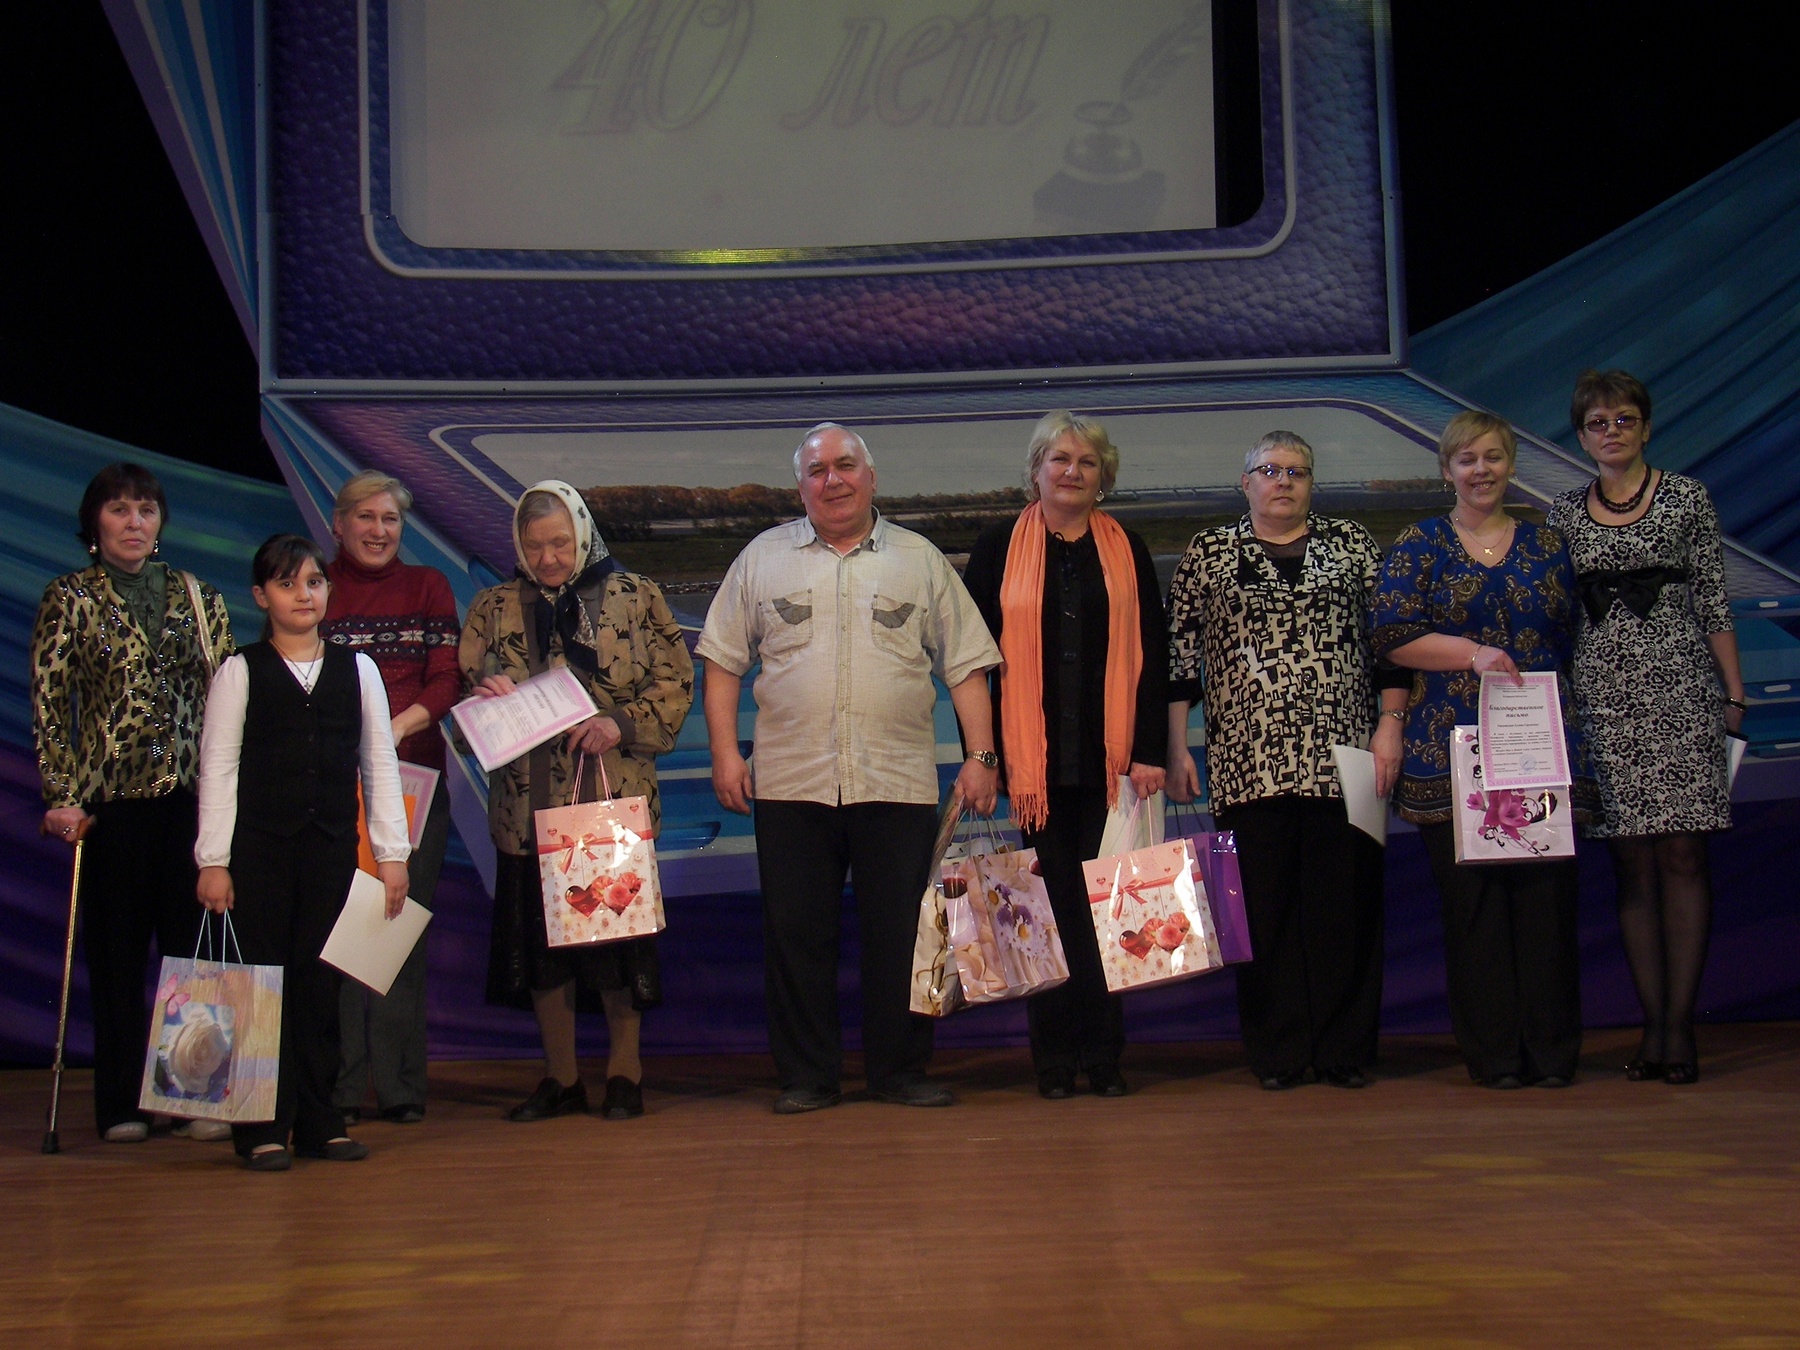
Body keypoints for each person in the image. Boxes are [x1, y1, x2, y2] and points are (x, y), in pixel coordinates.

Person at [697, 423, 1002, 1114]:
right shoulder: (761, 559)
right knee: (797, 938)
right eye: (816, 471)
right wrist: (724, 752)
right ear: (799, 485)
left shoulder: (920, 561)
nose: (831, 480)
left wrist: (981, 756)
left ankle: (900, 1072)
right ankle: (807, 1077)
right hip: (791, 784)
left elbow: (967, 666)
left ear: (871, 477)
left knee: (901, 937)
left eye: (844, 466)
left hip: (896, 782)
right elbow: (720, 661)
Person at [1165, 431, 1401, 1090]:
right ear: (1246, 483)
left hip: (1347, 757)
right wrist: (1177, 744)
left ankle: (1343, 1050)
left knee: (1343, 909)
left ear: (1311, 483)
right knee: (1263, 912)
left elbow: (1388, 640)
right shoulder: (1211, 551)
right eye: (1269, 470)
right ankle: (1278, 1053)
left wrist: (1391, 724)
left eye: (1297, 471)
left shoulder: (1351, 544)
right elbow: (1181, 652)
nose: (1284, 481)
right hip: (1248, 763)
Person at [1371, 411, 1600, 1089]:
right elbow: (1390, 636)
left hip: (1538, 746)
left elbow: (1573, 637)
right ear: (1447, 470)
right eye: (1467, 459)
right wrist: (1471, 653)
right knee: (1474, 910)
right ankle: (1495, 1056)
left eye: (1493, 457)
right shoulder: (1420, 544)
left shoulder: (1548, 543)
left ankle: (1552, 1053)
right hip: (1451, 751)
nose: (1481, 470)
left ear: (1510, 465)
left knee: (1545, 906)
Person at [459, 481, 693, 1123]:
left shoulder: (636, 595)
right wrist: (486, 696)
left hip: (610, 799)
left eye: (560, 544)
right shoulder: (493, 607)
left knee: (614, 938)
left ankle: (625, 1073)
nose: (549, 559)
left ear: (583, 535)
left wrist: (621, 721)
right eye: (535, 546)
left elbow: (676, 681)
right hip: (526, 807)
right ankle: (560, 1079)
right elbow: (466, 696)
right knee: (543, 950)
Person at [961, 411, 1168, 1099]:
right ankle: (1052, 1060)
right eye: (1059, 459)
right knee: (1039, 914)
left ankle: (1104, 1057)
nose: (1072, 471)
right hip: (1032, 772)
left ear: (1103, 476)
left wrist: (1149, 750)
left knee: (1108, 910)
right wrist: (983, 756)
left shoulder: (1127, 546)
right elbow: (970, 663)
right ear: (1036, 471)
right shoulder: (997, 547)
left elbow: (1153, 653)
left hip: (1113, 769)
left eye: (1086, 461)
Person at [1548, 370, 1745, 1086]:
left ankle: (1678, 1029)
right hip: (1602, 700)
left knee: (1684, 855)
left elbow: (1714, 598)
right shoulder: (1563, 513)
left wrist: (1734, 694)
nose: (1612, 432)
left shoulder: (1687, 497)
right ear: (1581, 438)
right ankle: (1651, 1025)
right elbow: (1557, 614)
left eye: (1624, 419)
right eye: (1598, 423)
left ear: (1646, 427)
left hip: (1682, 692)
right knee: (1631, 863)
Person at [30, 463, 237, 1145]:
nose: (134, 523)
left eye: (146, 510)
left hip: (192, 799)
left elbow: (228, 696)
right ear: (95, 522)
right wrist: (62, 795)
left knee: (195, 951)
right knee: (117, 955)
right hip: (112, 801)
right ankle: (123, 1101)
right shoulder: (70, 597)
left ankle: (193, 1091)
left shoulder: (198, 596)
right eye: (119, 510)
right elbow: (52, 703)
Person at [195, 534, 411, 1171]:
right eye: (287, 584)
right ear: (261, 596)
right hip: (258, 854)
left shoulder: (358, 670)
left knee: (321, 987)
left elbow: (379, 763)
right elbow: (218, 768)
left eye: (313, 582)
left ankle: (321, 1122)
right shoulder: (241, 671)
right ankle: (260, 1128)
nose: (303, 595)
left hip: (330, 853)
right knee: (261, 987)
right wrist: (213, 861)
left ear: (327, 591)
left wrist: (391, 854)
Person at [321, 471, 462, 1125]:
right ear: (338, 523)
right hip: (335, 790)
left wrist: (393, 729)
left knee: (395, 931)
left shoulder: (428, 586)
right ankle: (341, 1087)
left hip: (414, 785)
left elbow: (446, 679)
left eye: (391, 520)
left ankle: (401, 1087)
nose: (379, 531)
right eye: (366, 517)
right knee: (340, 935)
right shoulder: (317, 585)